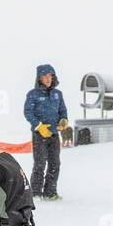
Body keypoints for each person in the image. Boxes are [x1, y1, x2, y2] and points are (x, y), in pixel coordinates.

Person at [24, 64, 69, 200]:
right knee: (40, 164)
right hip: (39, 135)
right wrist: (38, 126)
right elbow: (28, 112)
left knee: (55, 163)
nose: (48, 79)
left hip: (54, 135)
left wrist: (64, 120)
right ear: (39, 78)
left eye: (50, 76)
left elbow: (63, 111)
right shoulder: (33, 95)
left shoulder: (58, 94)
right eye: (45, 76)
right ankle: (36, 193)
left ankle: (50, 192)